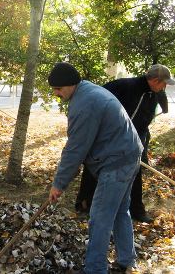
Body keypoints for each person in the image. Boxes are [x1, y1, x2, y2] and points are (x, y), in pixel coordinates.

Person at [47, 62, 143, 273]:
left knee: (99, 218)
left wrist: (59, 184)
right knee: (119, 211)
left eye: (58, 89)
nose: (56, 93)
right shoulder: (87, 90)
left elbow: (75, 150)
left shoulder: (84, 105)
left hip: (117, 163)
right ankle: (127, 260)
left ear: (70, 85)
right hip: (129, 154)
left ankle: (95, 269)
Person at [75, 64, 174, 223]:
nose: (165, 87)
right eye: (164, 83)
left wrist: (141, 147)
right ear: (155, 80)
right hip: (109, 137)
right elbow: (96, 101)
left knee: (135, 171)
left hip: (134, 140)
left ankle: (136, 210)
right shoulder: (127, 87)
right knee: (94, 166)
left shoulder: (154, 93)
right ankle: (85, 204)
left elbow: (143, 123)